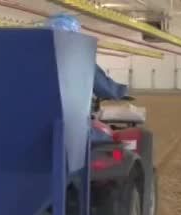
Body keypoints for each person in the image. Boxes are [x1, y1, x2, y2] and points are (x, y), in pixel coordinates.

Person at [45, 13, 129, 143]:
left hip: (31, 125)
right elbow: (105, 88)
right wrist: (121, 91)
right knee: (111, 136)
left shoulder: (29, 60)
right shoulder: (81, 59)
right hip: (70, 129)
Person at [44, 13, 129, 101]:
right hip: (69, 108)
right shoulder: (78, 58)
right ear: (73, 34)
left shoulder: (34, 54)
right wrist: (120, 91)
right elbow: (102, 86)